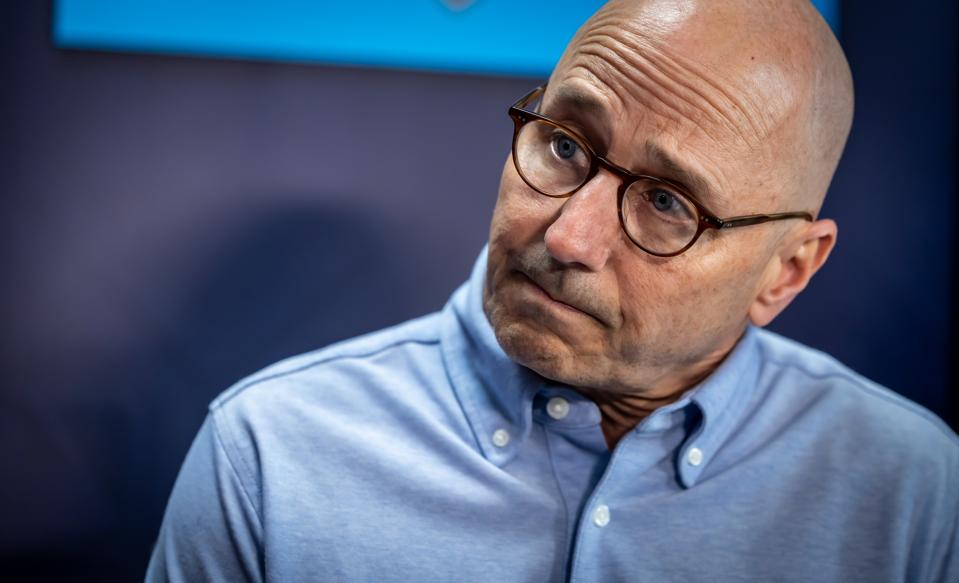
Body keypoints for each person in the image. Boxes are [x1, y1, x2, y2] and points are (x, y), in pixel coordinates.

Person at [146, 0, 958, 581]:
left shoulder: (916, 495)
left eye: (667, 203)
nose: (567, 237)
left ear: (786, 271)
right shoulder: (269, 457)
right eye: (565, 144)